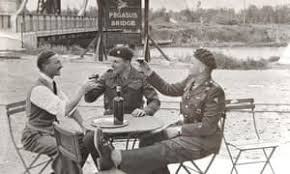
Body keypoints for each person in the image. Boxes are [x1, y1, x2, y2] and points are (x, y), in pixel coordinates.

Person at [94, 48, 226, 174]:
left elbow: (208, 127)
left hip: (203, 141)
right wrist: (149, 72)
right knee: (147, 139)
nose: (188, 65)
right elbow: (168, 89)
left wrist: (180, 130)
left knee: (165, 148)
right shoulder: (190, 81)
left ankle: (115, 157)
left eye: (192, 63)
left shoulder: (214, 91)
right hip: (185, 132)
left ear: (202, 68)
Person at [83, 46, 161, 167]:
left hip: (134, 124)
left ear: (127, 62)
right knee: (89, 138)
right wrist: (88, 88)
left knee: (151, 138)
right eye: (111, 61)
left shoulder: (140, 77)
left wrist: (145, 111)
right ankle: (106, 168)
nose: (112, 65)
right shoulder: (107, 76)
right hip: (111, 123)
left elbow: (155, 101)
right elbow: (89, 99)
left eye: (116, 62)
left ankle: (141, 168)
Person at [21, 50, 97, 174]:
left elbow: (70, 109)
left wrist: (84, 127)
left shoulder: (52, 84)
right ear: (45, 66)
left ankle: (67, 172)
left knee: (85, 140)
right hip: (35, 137)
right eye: (57, 63)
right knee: (67, 149)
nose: (61, 65)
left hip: (50, 133)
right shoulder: (39, 89)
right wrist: (82, 90)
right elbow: (64, 110)